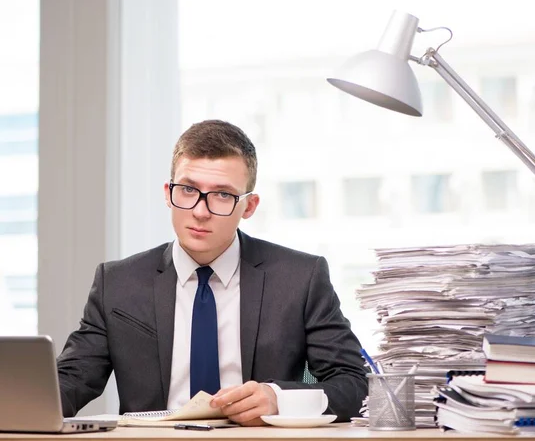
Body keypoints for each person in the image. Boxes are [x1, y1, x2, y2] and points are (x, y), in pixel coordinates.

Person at [57, 120, 368, 426]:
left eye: (222, 195)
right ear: (168, 193)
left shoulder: (301, 278)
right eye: (188, 189)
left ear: (249, 206)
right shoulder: (118, 282)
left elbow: (354, 384)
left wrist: (279, 399)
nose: (200, 211)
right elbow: (71, 380)